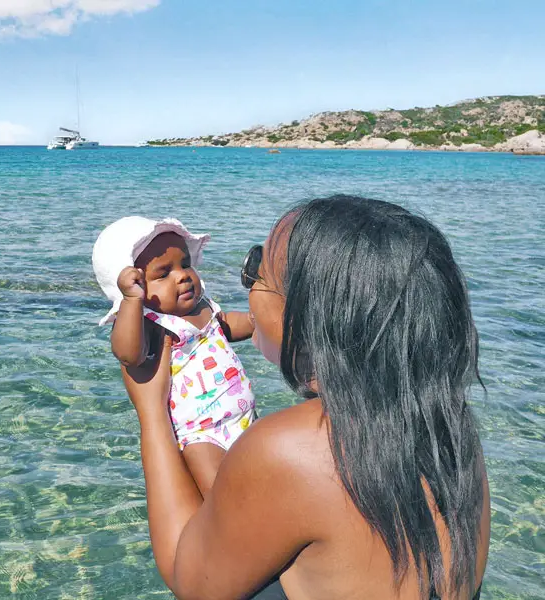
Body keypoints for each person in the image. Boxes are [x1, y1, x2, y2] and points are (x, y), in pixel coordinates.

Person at [120, 196, 490, 600]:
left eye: (255, 271)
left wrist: (151, 410)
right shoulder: (453, 427)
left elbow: (189, 579)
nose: (248, 286)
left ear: (309, 311)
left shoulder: (288, 450)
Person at [93, 216, 256, 497]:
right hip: (201, 436)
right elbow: (128, 354)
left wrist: (259, 320)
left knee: (260, 480)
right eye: (163, 273)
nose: (182, 275)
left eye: (185, 264)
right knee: (223, 498)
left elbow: (226, 325)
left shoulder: (202, 307)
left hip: (245, 419)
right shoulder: (153, 322)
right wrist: (131, 301)